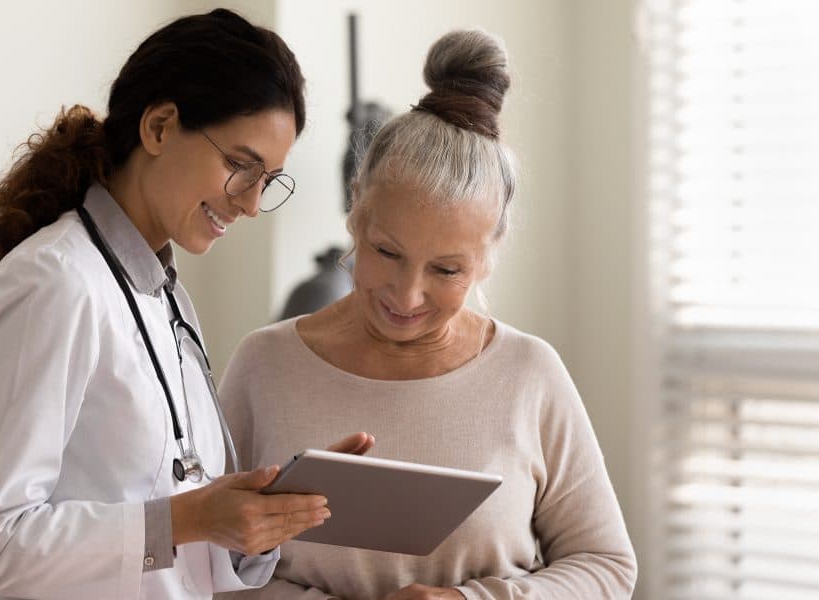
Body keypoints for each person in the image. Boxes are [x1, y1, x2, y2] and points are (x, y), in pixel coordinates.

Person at [0, 9, 370, 600]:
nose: (250, 204)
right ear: (161, 127)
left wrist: (258, 519)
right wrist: (188, 518)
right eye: (240, 167)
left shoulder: (169, 299)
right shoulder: (55, 283)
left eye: (268, 180)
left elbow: (179, 559)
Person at [218, 29, 638, 600]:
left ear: (488, 258)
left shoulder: (528, 374)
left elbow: (606, 565)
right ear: (356, 212)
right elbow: (206, 565)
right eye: (387, 253)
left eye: (446, 271)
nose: (407, 296)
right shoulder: (264, 365)